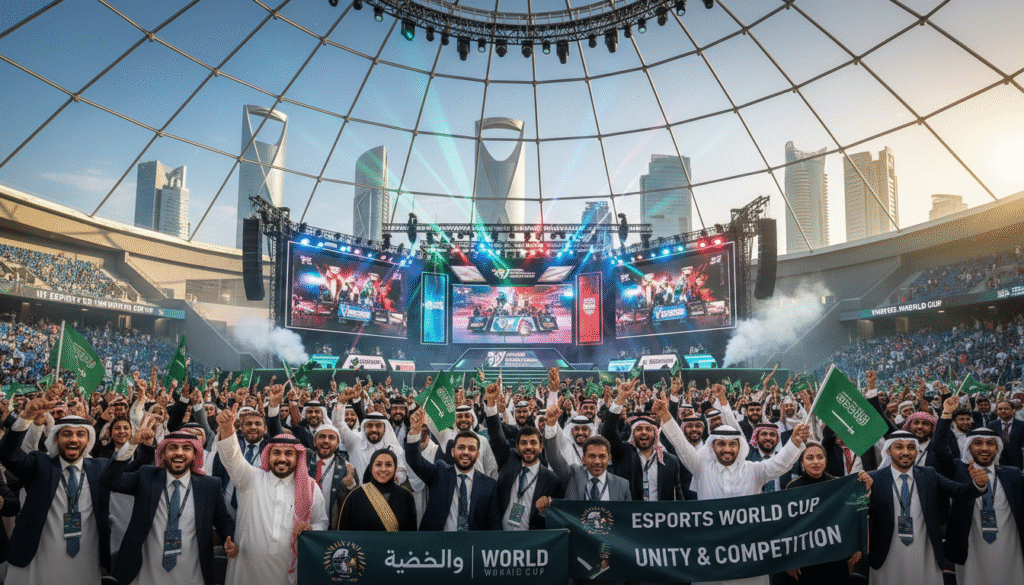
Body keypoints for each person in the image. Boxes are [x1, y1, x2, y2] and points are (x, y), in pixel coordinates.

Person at [656, 397, 810, 585]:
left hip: (748, 555)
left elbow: (780, 463)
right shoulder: (702, 468)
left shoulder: (753, 470)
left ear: (740, 446)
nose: (727, 449)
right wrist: (665, 415)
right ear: (712, 446)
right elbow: (681, 444)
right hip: (711, 554)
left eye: (732, 444)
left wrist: (794, 442)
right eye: (721, 444)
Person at [101, 428, 237, 585]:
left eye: (186, 448)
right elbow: (109, 481)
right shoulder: (147, 477)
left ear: (195, 455)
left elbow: (223, 521)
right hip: (145, 575)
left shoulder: (209, 485)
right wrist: (132, 443)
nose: (179, 453)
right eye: (173, 448)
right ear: (163, 454)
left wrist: (230, 540)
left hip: (192, 575)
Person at [0, 396, 111, 585]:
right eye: (67, 434)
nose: (74, 439)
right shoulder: (40, 463)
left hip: (86, 557)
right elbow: (8, 455)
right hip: (40, 555)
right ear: (56, 439)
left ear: (88, 440)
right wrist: (26, 417)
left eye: (80, 434)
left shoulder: (100, 467)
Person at [216, 404, 328, 585]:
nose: (282, 458)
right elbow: (232, 456)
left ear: (298, 458)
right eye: (276, 453)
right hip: (247, 570)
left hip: (288, 570)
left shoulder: (309, 487)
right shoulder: (251, 479)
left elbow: (322, 522)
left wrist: (311, 529)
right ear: (268, 456)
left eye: (288, 453)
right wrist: (227, 428)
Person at [866, 430, 989, 585]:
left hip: (924, 550)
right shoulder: (874, 478)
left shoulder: (929, 474)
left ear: (916, 451)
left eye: (911, 447)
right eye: (899, 447)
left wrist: (978, 484)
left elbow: (960, 491)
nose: (906, 452)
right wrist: (865, 493)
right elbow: (861, 511)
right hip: (887, 553)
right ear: (889, 451)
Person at [934, 397, 1024, 585]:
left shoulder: (1013, 474)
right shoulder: (959, 471)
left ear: (997, 448)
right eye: (978, 443)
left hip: (1009, 544)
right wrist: (947, 413)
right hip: (972, 544)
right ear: (969, 447)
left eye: (990, 444)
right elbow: (940, 449)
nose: (984, 448)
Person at [783, 441, 871, 584]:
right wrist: (790, 561)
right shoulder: (793, 488)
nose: (815, 462)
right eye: (810, 458)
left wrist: (864, 489)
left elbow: (854, 513)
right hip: (806, 560)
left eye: (820, 457)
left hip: (835, 558)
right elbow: (788, 527)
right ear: (802, 462)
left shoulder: (838, 484)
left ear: (826, 460)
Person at [404, 408, 502, 531]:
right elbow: (415, 462)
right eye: (461, 447)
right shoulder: (439, 473)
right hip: (439, 541)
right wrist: (415, 431)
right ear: (452, 452)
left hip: (472, 542)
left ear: (478, 454)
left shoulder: (488, 485)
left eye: (471, 449)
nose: (466, 452)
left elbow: (494, 523)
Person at [481, 380, 562, 530]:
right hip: (501, 536)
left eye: (533, 443)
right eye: (524, 443)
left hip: (531, 540)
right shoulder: (508, 459)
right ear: (517, 447)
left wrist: (543, 511)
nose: (528, 447)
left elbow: (556, 520)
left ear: (541, 447)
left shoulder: (552, 480)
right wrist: (491, 405)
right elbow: (496, 435)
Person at [603, 380, 686, 501]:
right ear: (632, 434)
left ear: (655, 434)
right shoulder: (624, 453)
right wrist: (620, 398)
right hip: (630, 512)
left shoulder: (670, 461)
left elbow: (678, 496)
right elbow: (608, 432)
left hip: (660, 512)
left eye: (648, 429)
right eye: (639, 429)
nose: (644, 432)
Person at [540, 404, 631, 503]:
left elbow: (625, 512)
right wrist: (550, 424)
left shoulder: (622, 485)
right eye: (592, 456)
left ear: (609, 458)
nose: (597, 461)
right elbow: (553, 457)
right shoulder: (572, 476)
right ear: (583, 459)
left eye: (602, 456)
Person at [337, 449, 417, 531]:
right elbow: (344, 534)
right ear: (371, 468)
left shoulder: (406, 496)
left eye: (388, 465)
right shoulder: (354, 496)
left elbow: (411, 534)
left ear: (395, 468)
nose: (383, 469)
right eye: (378, 464)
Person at [308, 423, 357, 528]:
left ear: (338, 443)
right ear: (314, 441)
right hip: (305, 526)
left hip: (333, 528)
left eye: (331, 438)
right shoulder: (304, 462)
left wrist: (350, 485)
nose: (326, 441)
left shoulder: (346, 468)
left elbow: (354, 503)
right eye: (322, 437)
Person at [987, 401, 1024, 468]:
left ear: (1013, 410)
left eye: (1006, 409)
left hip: (1016, 463)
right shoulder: (991, 425)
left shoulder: (1021, 425)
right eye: (1000, 409)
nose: (1003, 411)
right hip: (997, 462)